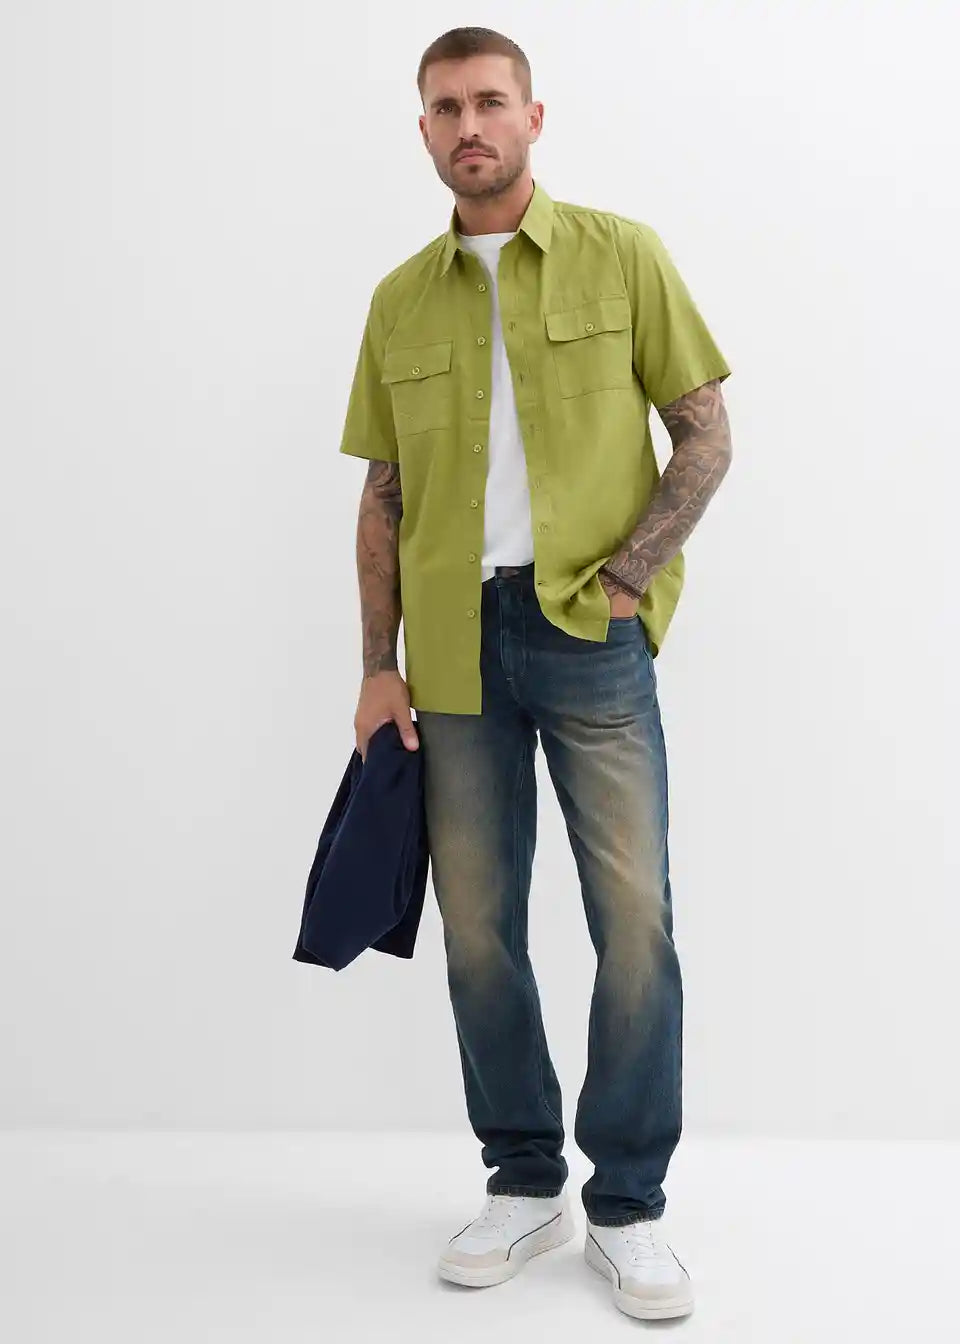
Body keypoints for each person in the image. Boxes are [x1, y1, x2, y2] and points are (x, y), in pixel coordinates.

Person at [341, 26, 732, 1322]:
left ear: (533, 117)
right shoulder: (400, 299)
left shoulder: (623, 254)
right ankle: (523, 1181)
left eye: (491, 101)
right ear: (425, 129)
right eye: (446, 106)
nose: (471, 125)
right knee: (477, 928)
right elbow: (384, 496)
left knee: (635, 921)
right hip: (453, 647)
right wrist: (376, 666)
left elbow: (704, 433)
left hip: (589, 632)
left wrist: (626, 580)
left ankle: (629, 1204)